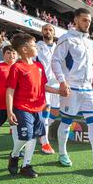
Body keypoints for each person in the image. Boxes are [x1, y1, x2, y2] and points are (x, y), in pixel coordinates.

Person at [51, 8, 93, 169]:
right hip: (71, 87)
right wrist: (62, 82)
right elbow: (56, 61)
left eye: (90, 21)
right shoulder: (66, 38)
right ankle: (63, 153)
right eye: (85, 20)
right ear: (76, 20)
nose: (88, 24)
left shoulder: (88, 42)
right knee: (66, 121)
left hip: (87, 89)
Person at [6, 33, 60, 178]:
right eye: (34, 45)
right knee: (25, 136)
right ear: (24, 49)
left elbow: (44, 86)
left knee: (34, 136)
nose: (37, 48)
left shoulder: (38, 66)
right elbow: (10, 90)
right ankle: (14, 155)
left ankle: (26, 166)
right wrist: (10, 111)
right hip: (22, 108)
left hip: (38, 108)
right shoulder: (17, 67)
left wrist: (58, 91)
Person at [36, 24, 59, 154]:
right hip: (43, 83)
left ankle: (41, 132)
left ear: (54, 33)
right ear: (42, 31)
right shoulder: (37, 46)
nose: (48, 31)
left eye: (50, 30)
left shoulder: (58, 47)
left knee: (55, 112)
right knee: (46, 109)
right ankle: (45, 142)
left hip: (57, 84)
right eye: (45, 29)